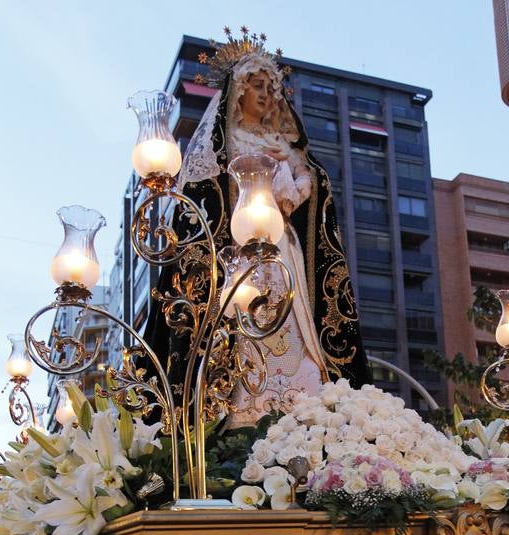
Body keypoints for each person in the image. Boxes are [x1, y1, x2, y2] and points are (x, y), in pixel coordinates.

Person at [144, 30, 371, 426]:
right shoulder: (225, 139)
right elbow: (206, 195)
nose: (266, 95)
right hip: (236, 251)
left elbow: (306, 189)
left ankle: (301, 409)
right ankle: (240, 414)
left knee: (295, 326)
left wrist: (288, 177)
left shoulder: (284, 141)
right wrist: (252, 177)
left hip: (283, 248)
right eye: (257, 86)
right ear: (238, 93)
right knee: (242, 325)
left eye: (271, 87)